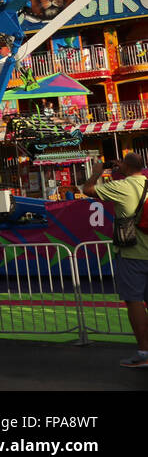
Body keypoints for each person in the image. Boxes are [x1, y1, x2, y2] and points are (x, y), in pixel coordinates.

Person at [82, 152, 148, 367]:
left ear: (126, 167)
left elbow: (88, 190)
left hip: (132, 253)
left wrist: (96, 173)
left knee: (134, 300)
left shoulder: (122, 186)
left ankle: (144, 353)